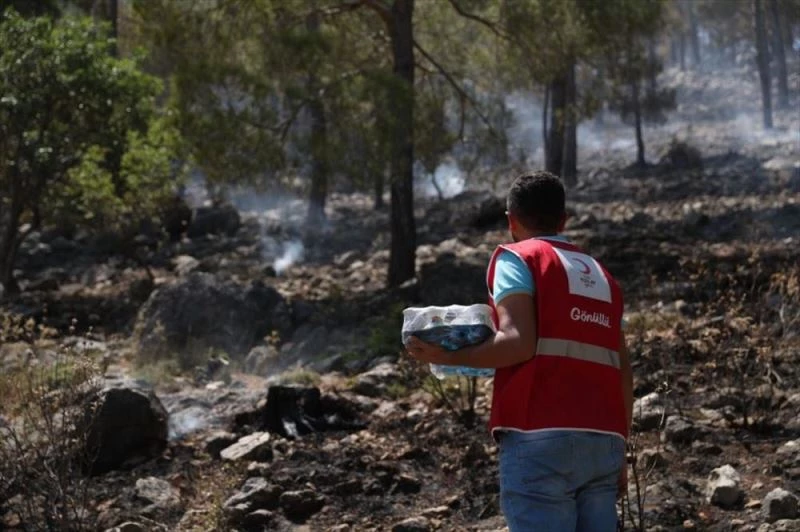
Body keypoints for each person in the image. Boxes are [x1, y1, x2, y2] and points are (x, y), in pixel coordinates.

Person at [406, 171, 633, 532]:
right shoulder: (603, 276)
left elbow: (517, 342)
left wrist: (448, 357)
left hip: (540, 437)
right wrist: (620, 445)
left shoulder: (517, 259)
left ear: (511, 220)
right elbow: (623, 368)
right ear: (564, 220)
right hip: (603, 442)